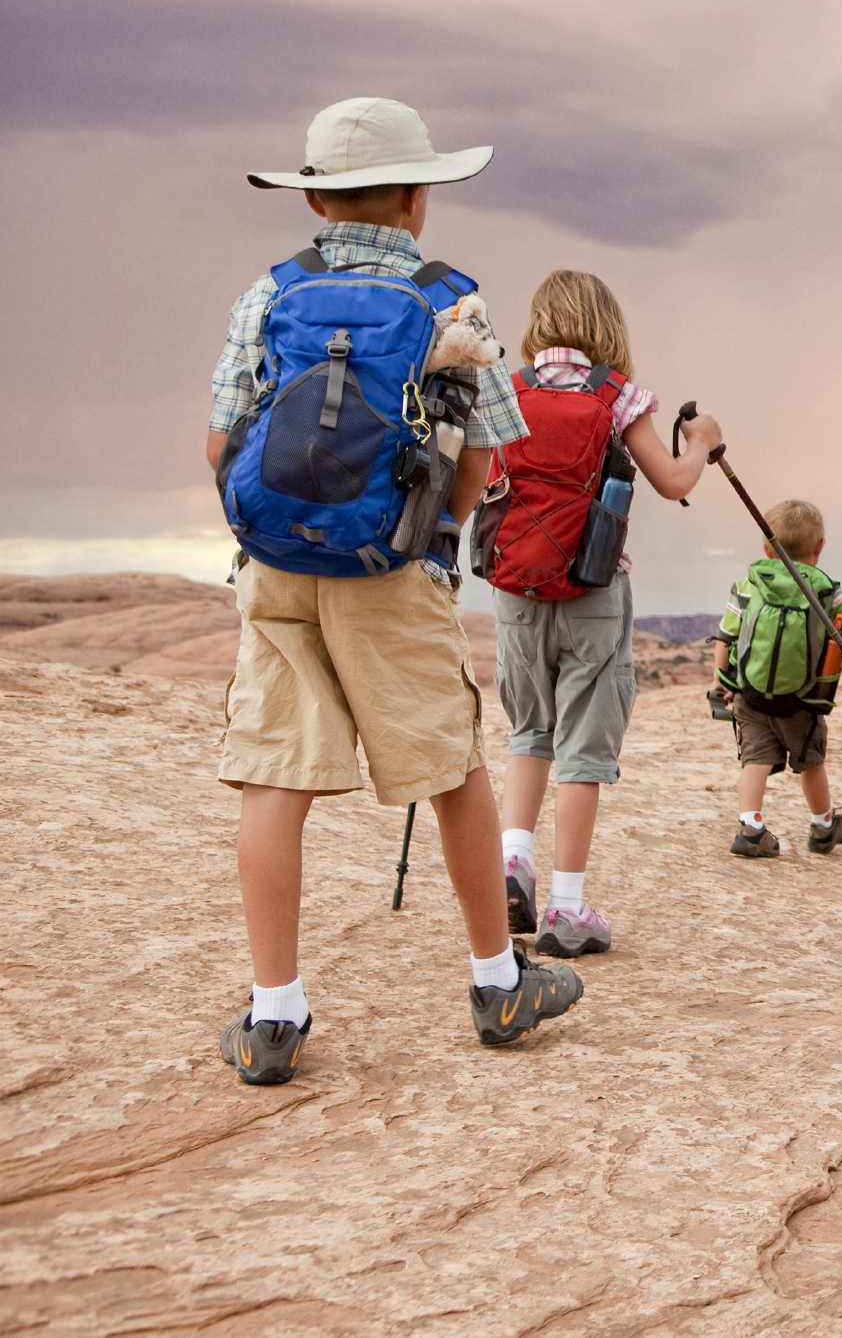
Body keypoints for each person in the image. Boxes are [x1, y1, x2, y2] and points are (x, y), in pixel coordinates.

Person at [208, 97, 584, 1087]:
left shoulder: (271, 291)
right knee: (449, 766)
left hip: (278, 563)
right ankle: (497, 984)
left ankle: (274, 1014)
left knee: (275, 774)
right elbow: (486, 458)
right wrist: (432, 533)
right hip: (395, 568)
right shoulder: (452, 304)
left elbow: (220, 440)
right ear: (419, 198)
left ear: (316, 200)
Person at [485, 270, 723, 958]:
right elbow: (672, 481)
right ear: (605, 326)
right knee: (583, 750)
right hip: (592, 588)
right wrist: (701, 442)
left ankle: (512, 862)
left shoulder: (504, 388)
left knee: (530, 730)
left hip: (516, 588)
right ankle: (566, 909)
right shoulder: (619, 398)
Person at [717, 499, 842, 857]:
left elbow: (726, 636)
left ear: (766, 548)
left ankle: (751, 828)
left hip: (751, 696)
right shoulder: (823, 589)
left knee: (755, 760)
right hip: (802, 700)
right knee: (810, 762)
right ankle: (823, 827)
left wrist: (721, 681)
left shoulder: (748, 584)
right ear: (820, 547)